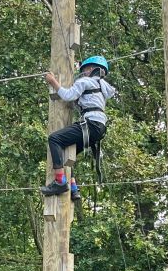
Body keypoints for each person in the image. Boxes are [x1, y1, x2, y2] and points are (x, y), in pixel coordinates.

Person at [41, 55, 116, 200]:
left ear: (92, 69)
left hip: (90, 124)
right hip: (99, 128)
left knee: (54, 139)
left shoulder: (85, 81)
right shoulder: (102, 86)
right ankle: (74, 189)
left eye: (85, 70)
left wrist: (53, 81)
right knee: (67, 154)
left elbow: (68, 95)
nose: (84, 73)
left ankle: (60, 182)